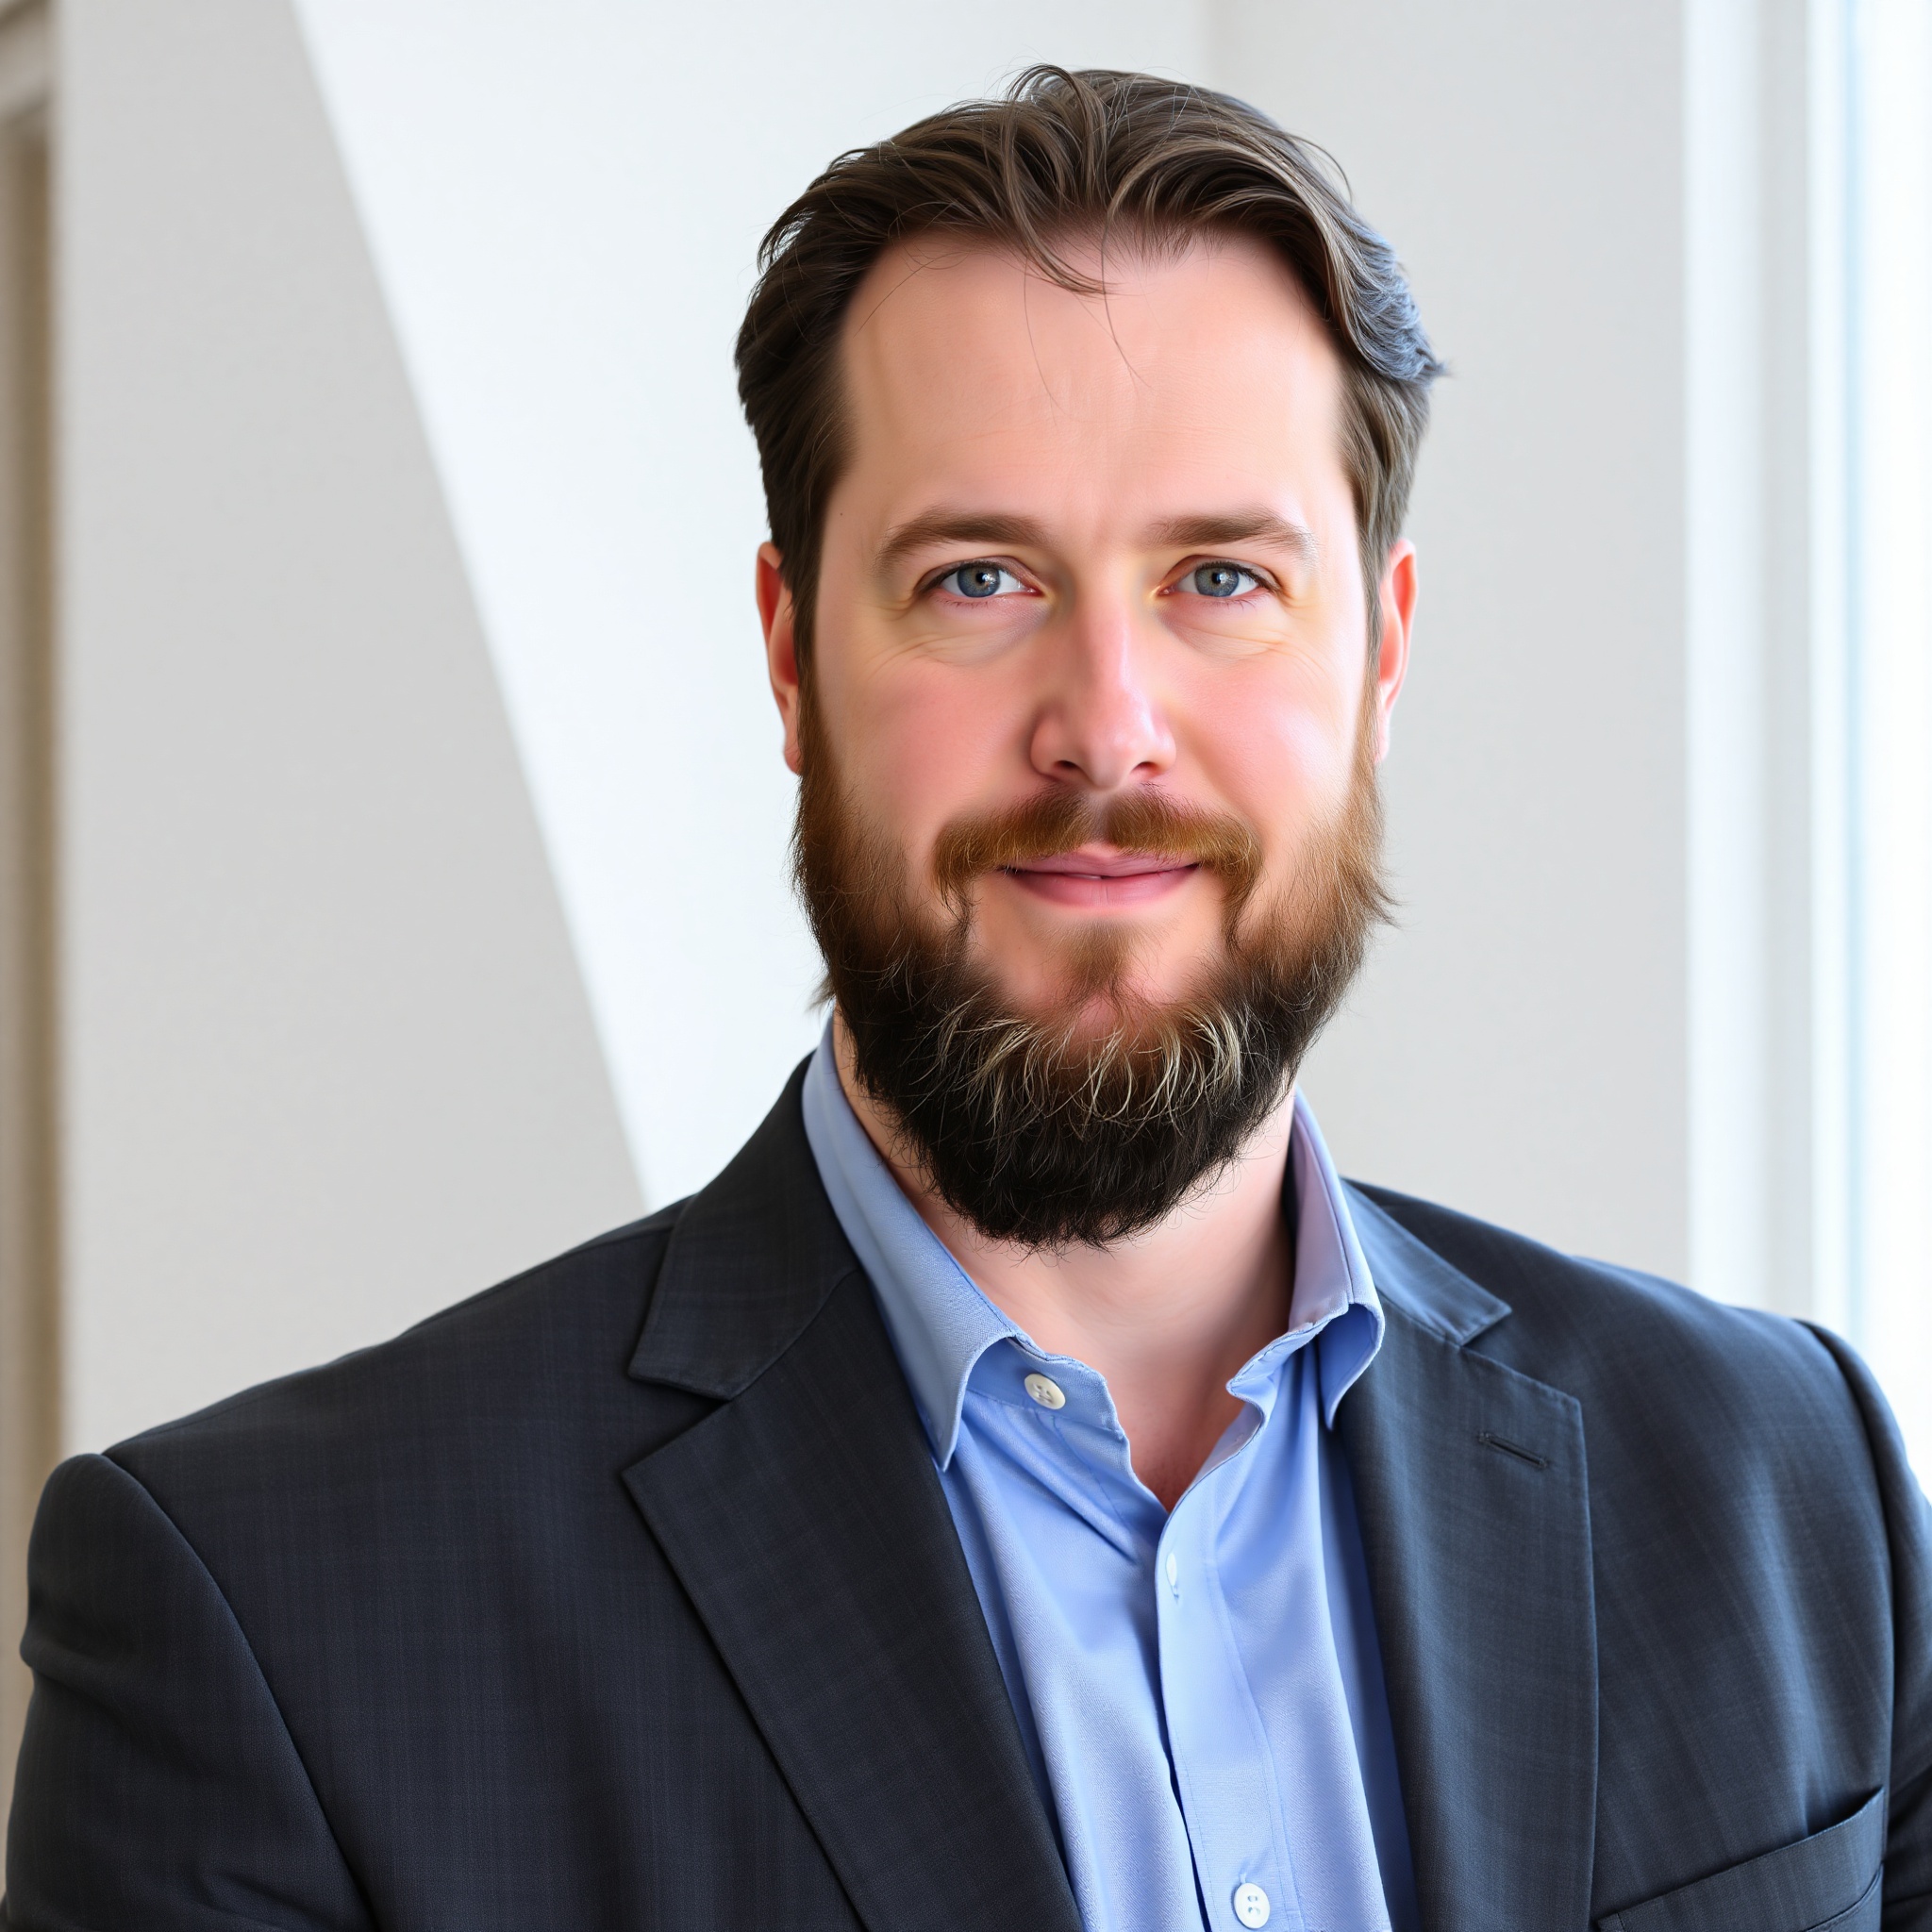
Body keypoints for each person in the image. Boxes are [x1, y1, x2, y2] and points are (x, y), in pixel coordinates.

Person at [6, 66, 1928, 1932]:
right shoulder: (274, 1629)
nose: (1107, 726)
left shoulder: (1786, 1485)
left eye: (1221, 579)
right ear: (791, 659)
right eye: (980, 579)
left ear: (1378, 659)